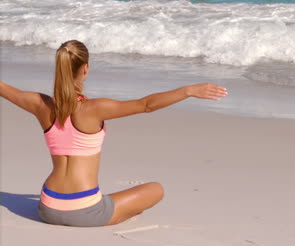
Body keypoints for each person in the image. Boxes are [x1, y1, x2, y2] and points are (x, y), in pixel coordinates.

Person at [0, 40, 228, 227]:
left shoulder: (39, 104)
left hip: (47, 208)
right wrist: (189, 90)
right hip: (86, 211)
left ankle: (117, 211)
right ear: (85, 69)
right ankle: (120, 214)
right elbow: (146, 104)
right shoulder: (95, 108)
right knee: (155, 189)